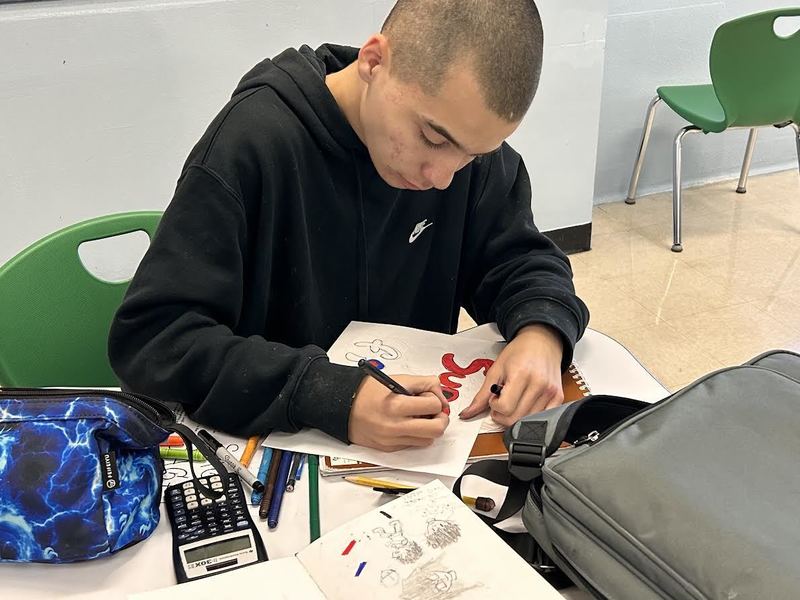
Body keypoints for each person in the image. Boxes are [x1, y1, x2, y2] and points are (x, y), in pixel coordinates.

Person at [108, 0, 590, 452]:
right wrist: (327, 395)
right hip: (278, 454)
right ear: (374, 61)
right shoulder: (254, 144)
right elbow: (155, 340)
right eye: (432, 137)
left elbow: (520, 259)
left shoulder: (463, 153)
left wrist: (542, 330)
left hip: (403, 465)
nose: (443, 178)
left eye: (473, 155)